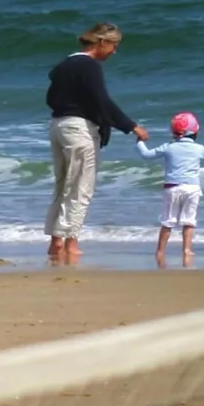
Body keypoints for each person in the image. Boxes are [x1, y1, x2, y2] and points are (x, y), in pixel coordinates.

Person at [44, 23, 148, 260]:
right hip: (79, 129)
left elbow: (51, 98)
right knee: (81, 187)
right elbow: (104, 101)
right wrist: (131, 126)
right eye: (113, 45)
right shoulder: (90, 66)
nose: (114, 51)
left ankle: (55, 242)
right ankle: (70, 244)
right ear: (101, 42)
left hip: (58, 126)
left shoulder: (64, 65)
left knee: (62, 185)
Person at [136, 111, 204, 265]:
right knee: (189, 221)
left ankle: (160, 251)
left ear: (173, 132)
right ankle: (186, 250)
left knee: (168, 222)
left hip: (172, 188)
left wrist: (139, 141)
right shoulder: (200, 148)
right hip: (192, 188)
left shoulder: (168, 147)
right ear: (195, 132)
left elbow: (146, 155)